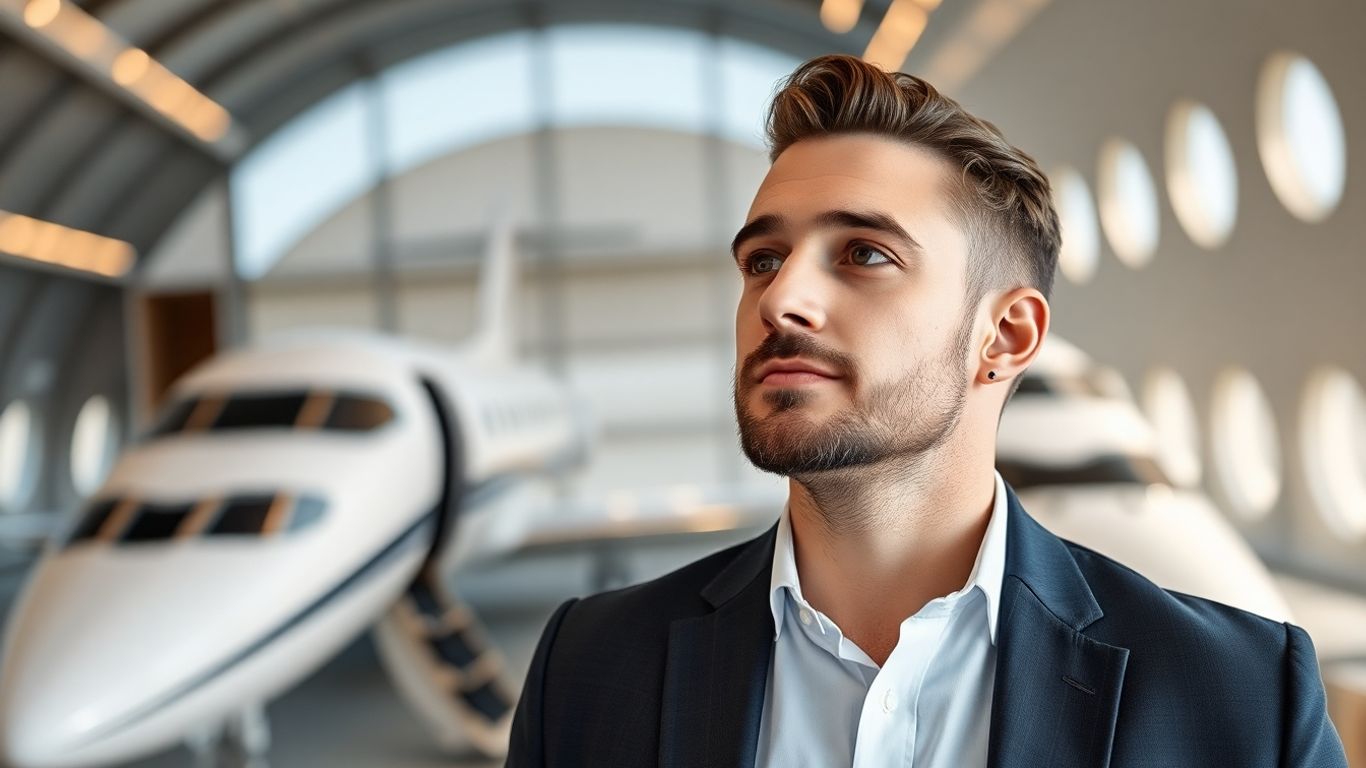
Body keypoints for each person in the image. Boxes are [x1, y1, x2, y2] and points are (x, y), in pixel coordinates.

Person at [505, 53, 1348, 768]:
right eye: (763, 258)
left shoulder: (1242, 697)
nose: (782, 299)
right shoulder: (587, 668)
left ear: (1006, 336)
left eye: (864, 253)